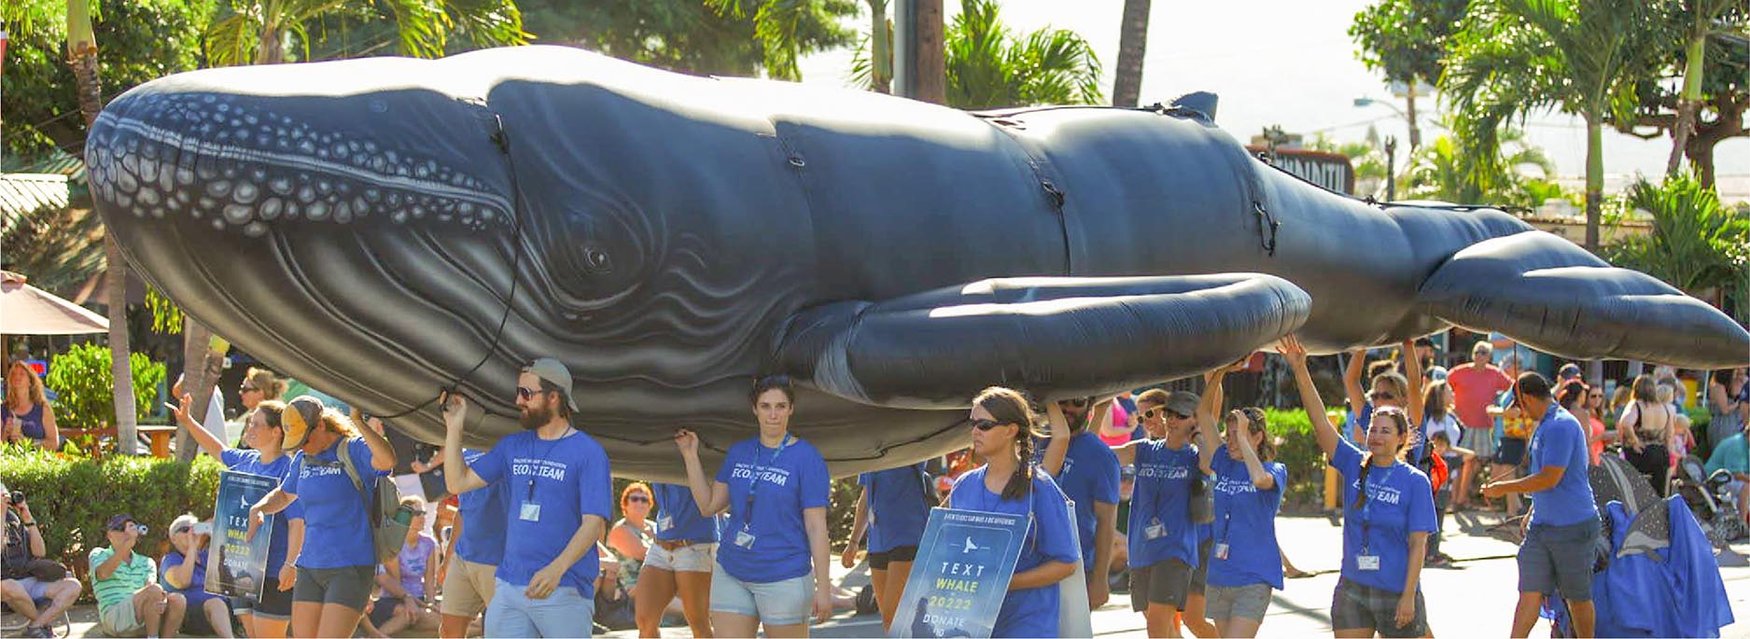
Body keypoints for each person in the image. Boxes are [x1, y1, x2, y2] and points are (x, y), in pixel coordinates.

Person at [440, 357, 612, 638]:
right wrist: (454, 426)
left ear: (554, 397)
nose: (518, 400)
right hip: (509, 587)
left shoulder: (589, 452)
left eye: (526, 393)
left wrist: (556, 569)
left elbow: (593, 525)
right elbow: (457, 483)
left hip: (564, 588)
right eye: (519, 392)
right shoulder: (512, 445)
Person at [1286, 336, 1436, 638]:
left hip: (1395, 590)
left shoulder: (1414, 480)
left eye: (1385, 431)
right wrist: (1300, 369)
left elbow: (1419, 544)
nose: (1376, 435)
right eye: (1372, 430)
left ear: (1401, 438)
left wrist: (1409, 596)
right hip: (1352, 588)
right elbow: (1320, 422)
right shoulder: (1353, 462)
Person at [672, 375, 833, 638]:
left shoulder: (807, 457)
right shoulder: (740, 452)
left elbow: (816, 527)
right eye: (765, 406)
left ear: (791, 409)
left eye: (780, 406)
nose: (773, 415)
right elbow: (709, 506)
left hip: (784, 575)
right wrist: (690, 455)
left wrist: (823, 588)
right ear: (754, 409)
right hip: (732, 570)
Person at [245, 396, 398, 638]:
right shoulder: (302, 459)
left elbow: (387, 460)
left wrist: (358, 421)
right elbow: (285, 494)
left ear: (320, 425)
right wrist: (260, 508)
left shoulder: (352, 449)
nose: (302, 447)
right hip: (310, 566)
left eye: (304, 440)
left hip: (350, 565)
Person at [947, 386, 1080, 637]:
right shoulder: (963, 485)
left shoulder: (1039, 487)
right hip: (974, 623)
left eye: (984, 425)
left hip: (1029, 623)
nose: (975, 431)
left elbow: (1066, 564)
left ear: (1010, 430)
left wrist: (1006, 584)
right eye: (972, 423)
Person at [171, 396, 304, 639]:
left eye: (256, 424)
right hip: (239, 568)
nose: (248, 429)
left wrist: (291, 564)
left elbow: (298, 522)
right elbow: (218, 450)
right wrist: (188, 422)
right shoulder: (246, 460)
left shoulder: (288, 470)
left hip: (273, 572)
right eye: (249, 423)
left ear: (276, 432)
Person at [1483, 372, 1601, 638]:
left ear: (1525, 398)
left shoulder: (1560, 425)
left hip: (1573, 525)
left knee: (1577, 597)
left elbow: (1550, 477)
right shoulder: (1545, 424)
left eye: (1517, 405)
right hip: (1541, 527)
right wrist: (1532, 510)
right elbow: (1545, 481)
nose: (1518, 412)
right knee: (1529, 591)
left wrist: (1503, 488)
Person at [1196, 362, 1286, 639]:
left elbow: (1259, 481)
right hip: (1221, 574)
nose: (1231, 441)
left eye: (1240, 435)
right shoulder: (1223, 459)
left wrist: (1245, 442)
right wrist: (1219, 372)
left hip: (1254, 576)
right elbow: (1202, 413)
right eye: (1229, 433)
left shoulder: (1274, 470)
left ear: (1257, 437)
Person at [1108, 388, 1202, 638]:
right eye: (1140, 418)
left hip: (1176, 551)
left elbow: (1212, 452)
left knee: (1164, 626)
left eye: (1150, 413)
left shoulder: (1194, 455)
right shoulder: (1144, 450)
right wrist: (1100, 405)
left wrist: (1213, 381)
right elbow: (1102, 455)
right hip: (1142, 551)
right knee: (1168, 629)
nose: (1147, 422)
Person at [1037, 395, 1122, 611]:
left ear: (1088, 406)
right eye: (1062, 401)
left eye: (1077, 402)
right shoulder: (1034, 442)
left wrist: (1100, 578)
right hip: (1031, 560)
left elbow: (1107, 520)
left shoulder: (1100, 454)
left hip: (1076, 565)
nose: (1069, 408)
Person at [840, 461, 931, 632]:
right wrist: (853, 541)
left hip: (908, 535)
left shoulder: (909, 447)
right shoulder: (871, 452)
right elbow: (866, 497)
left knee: (894, 614)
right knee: (888, 619)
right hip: (878, 541)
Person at [438, 447, 508, 639]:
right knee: (448, 630)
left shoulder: (510, 447)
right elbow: (463, 508)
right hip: (463, 556)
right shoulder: (463, 451)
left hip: (498, 558)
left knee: (502, 631)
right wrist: (449, 554)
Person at [635, 482, 717, 638]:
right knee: (645, 621)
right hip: (660, 546)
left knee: (698, 622)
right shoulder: (658, 459)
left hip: (695, 545)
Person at [0, 487, 81, 639]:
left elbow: (39, 553)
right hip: (5, 585)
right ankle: (43, 625)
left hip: (30, 579)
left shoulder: (14, 520)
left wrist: (28, 518)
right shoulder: (3, 516)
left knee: (73, 586)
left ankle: (36, 626)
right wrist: (1, 515)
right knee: (9, 586)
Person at [92, 514, 188, 638]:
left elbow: (151, 587)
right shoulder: (99, 554)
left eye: (130, 527)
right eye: (121, 529)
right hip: (115, 617)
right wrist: (125, 545)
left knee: (178, 600)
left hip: (144, 615)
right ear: (110, 535)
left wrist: (162, 600)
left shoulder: (146, 562)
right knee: (154, 591)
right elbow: (103, 573)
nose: (125, 533)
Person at [368, 497, 442, 636]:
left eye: (423, 513)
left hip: (419, 599)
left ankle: (482, 628)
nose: (421, 517)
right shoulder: (395, 543)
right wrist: (416, 604)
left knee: (439, 620)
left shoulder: (429, 543)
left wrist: (431, 603)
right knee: (423, 618)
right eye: (416, 513)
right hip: (394, 599)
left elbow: (429, 579)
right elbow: (395, 582)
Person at [1447, 342, 1513, 492]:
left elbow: (1512, 388)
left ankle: (1462, 495)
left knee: (1477, 460)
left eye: (1483, 352)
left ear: (1489, 356)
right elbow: (1441, 386)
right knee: (1460, 461)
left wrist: (1504, 410)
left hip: (1483, 424)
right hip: (1461, 424)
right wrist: (1449, 407)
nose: (1479, 355)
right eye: (1477, 352)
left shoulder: (1495, 373)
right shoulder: (1459, 371)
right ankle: (1458, 497)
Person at [1342, 344, 1425, 457]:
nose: (1379, 401)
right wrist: (1365, 342)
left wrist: (1408, 342)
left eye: (1386, 396)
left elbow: (1414, 383)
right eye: (1375, 396)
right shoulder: (1372, 422)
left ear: (1404, 399)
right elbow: (1351, 381)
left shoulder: (1411, 423)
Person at [160, 514, 233, 638]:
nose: (191, 533)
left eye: (194, 528)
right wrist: (192, 547)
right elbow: (182, 582)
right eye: (185, 530)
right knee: (215, 602)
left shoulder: (206, 556)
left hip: (222, 612)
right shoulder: (171, 559)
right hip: (190, 614)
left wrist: (215, 535)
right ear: (173, 538)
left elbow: (228, 578)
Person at [1617, 375, 1676, 497]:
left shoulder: (1636, 405)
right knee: (1660, 493)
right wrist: (1670, 455)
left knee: (1637, 492)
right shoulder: (1665, 408)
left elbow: (1626, 423)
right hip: (1661, 453)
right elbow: (1669, 435)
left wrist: (1634, 441)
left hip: (1642, 454)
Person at [607, 483, 656, 600]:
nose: (639, 503)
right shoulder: (620, 530)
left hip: (658, 580)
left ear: (650, 505)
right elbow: (647, 555)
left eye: (644, 500)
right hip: (631, 590)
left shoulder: (655, 527)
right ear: (625, 504)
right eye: (634, 499)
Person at [2, 361, 59, 451]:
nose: (17, 376)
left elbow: (54, 443)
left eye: (21, 374)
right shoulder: (3, 409)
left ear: (30, 381)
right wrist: (5, 433)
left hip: (36, 463)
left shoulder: (43, 408)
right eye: (13, 374)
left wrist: (26, 442)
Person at [1704, 420, 1750, 516]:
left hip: (1728, 477)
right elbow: (1737, 475)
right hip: (1715, 478)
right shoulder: (1737, 445)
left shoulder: (1746, 445)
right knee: (1746, 487)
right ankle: (1743, 524)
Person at [1706, 369, 1749, 450]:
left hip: (1736, 423)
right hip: (1723, 425)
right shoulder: (1718, 386)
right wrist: (1738, 403)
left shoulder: (1737, 382)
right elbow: (1724, 410)